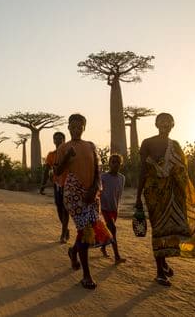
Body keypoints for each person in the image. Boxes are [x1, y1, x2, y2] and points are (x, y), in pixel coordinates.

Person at [136, 113, 195, 287]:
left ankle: (163, 262)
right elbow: (142, 170)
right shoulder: (147, 143)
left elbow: (182, 172)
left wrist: (185, 194)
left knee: (171, 229)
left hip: (172, 194)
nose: (165, 125)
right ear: (156, 124)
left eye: (168, 123)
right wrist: (138, 196)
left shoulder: (175, 145)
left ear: (172, 125)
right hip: (153, 193)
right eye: (162, 122)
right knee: (159, 231)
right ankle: (159, 272)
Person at [55, 113, 113, 290]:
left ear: (84, 127)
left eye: (79, 126)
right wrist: (67, 157)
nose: (76, 129)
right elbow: (57, 171)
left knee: (89, 229)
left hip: (91, 192)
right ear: (68, 128)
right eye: (73, 126)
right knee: (84, 229)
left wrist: (95, 188)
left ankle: (73, 252)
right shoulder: (64, 148)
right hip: (73, 193)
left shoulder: (90, 146)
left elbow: (97, 169)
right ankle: (86, 275)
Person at [40, 132, 70, 243]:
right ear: (53, 141)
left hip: (68, 184)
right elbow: (46, 170)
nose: (58, 141)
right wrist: (42, 184)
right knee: (58, 207)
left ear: (64, 140)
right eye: (56, 139)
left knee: (65, 208)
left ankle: (63, 234)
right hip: (57, 184)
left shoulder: (68, 153)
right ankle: (65, 229)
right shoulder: (51, 155)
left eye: (60, 139)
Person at [100, 154, 127, 264]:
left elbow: (119, 193)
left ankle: (103, 247)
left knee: (108, 230)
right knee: (113, 229)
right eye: (113, 162)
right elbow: (99, 191)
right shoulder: (103, 177)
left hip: (114, 208)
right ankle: (117, 256)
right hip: (104, 208)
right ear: (109, 163)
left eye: (118, 162)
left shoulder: (122, 178)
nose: (115, 164)